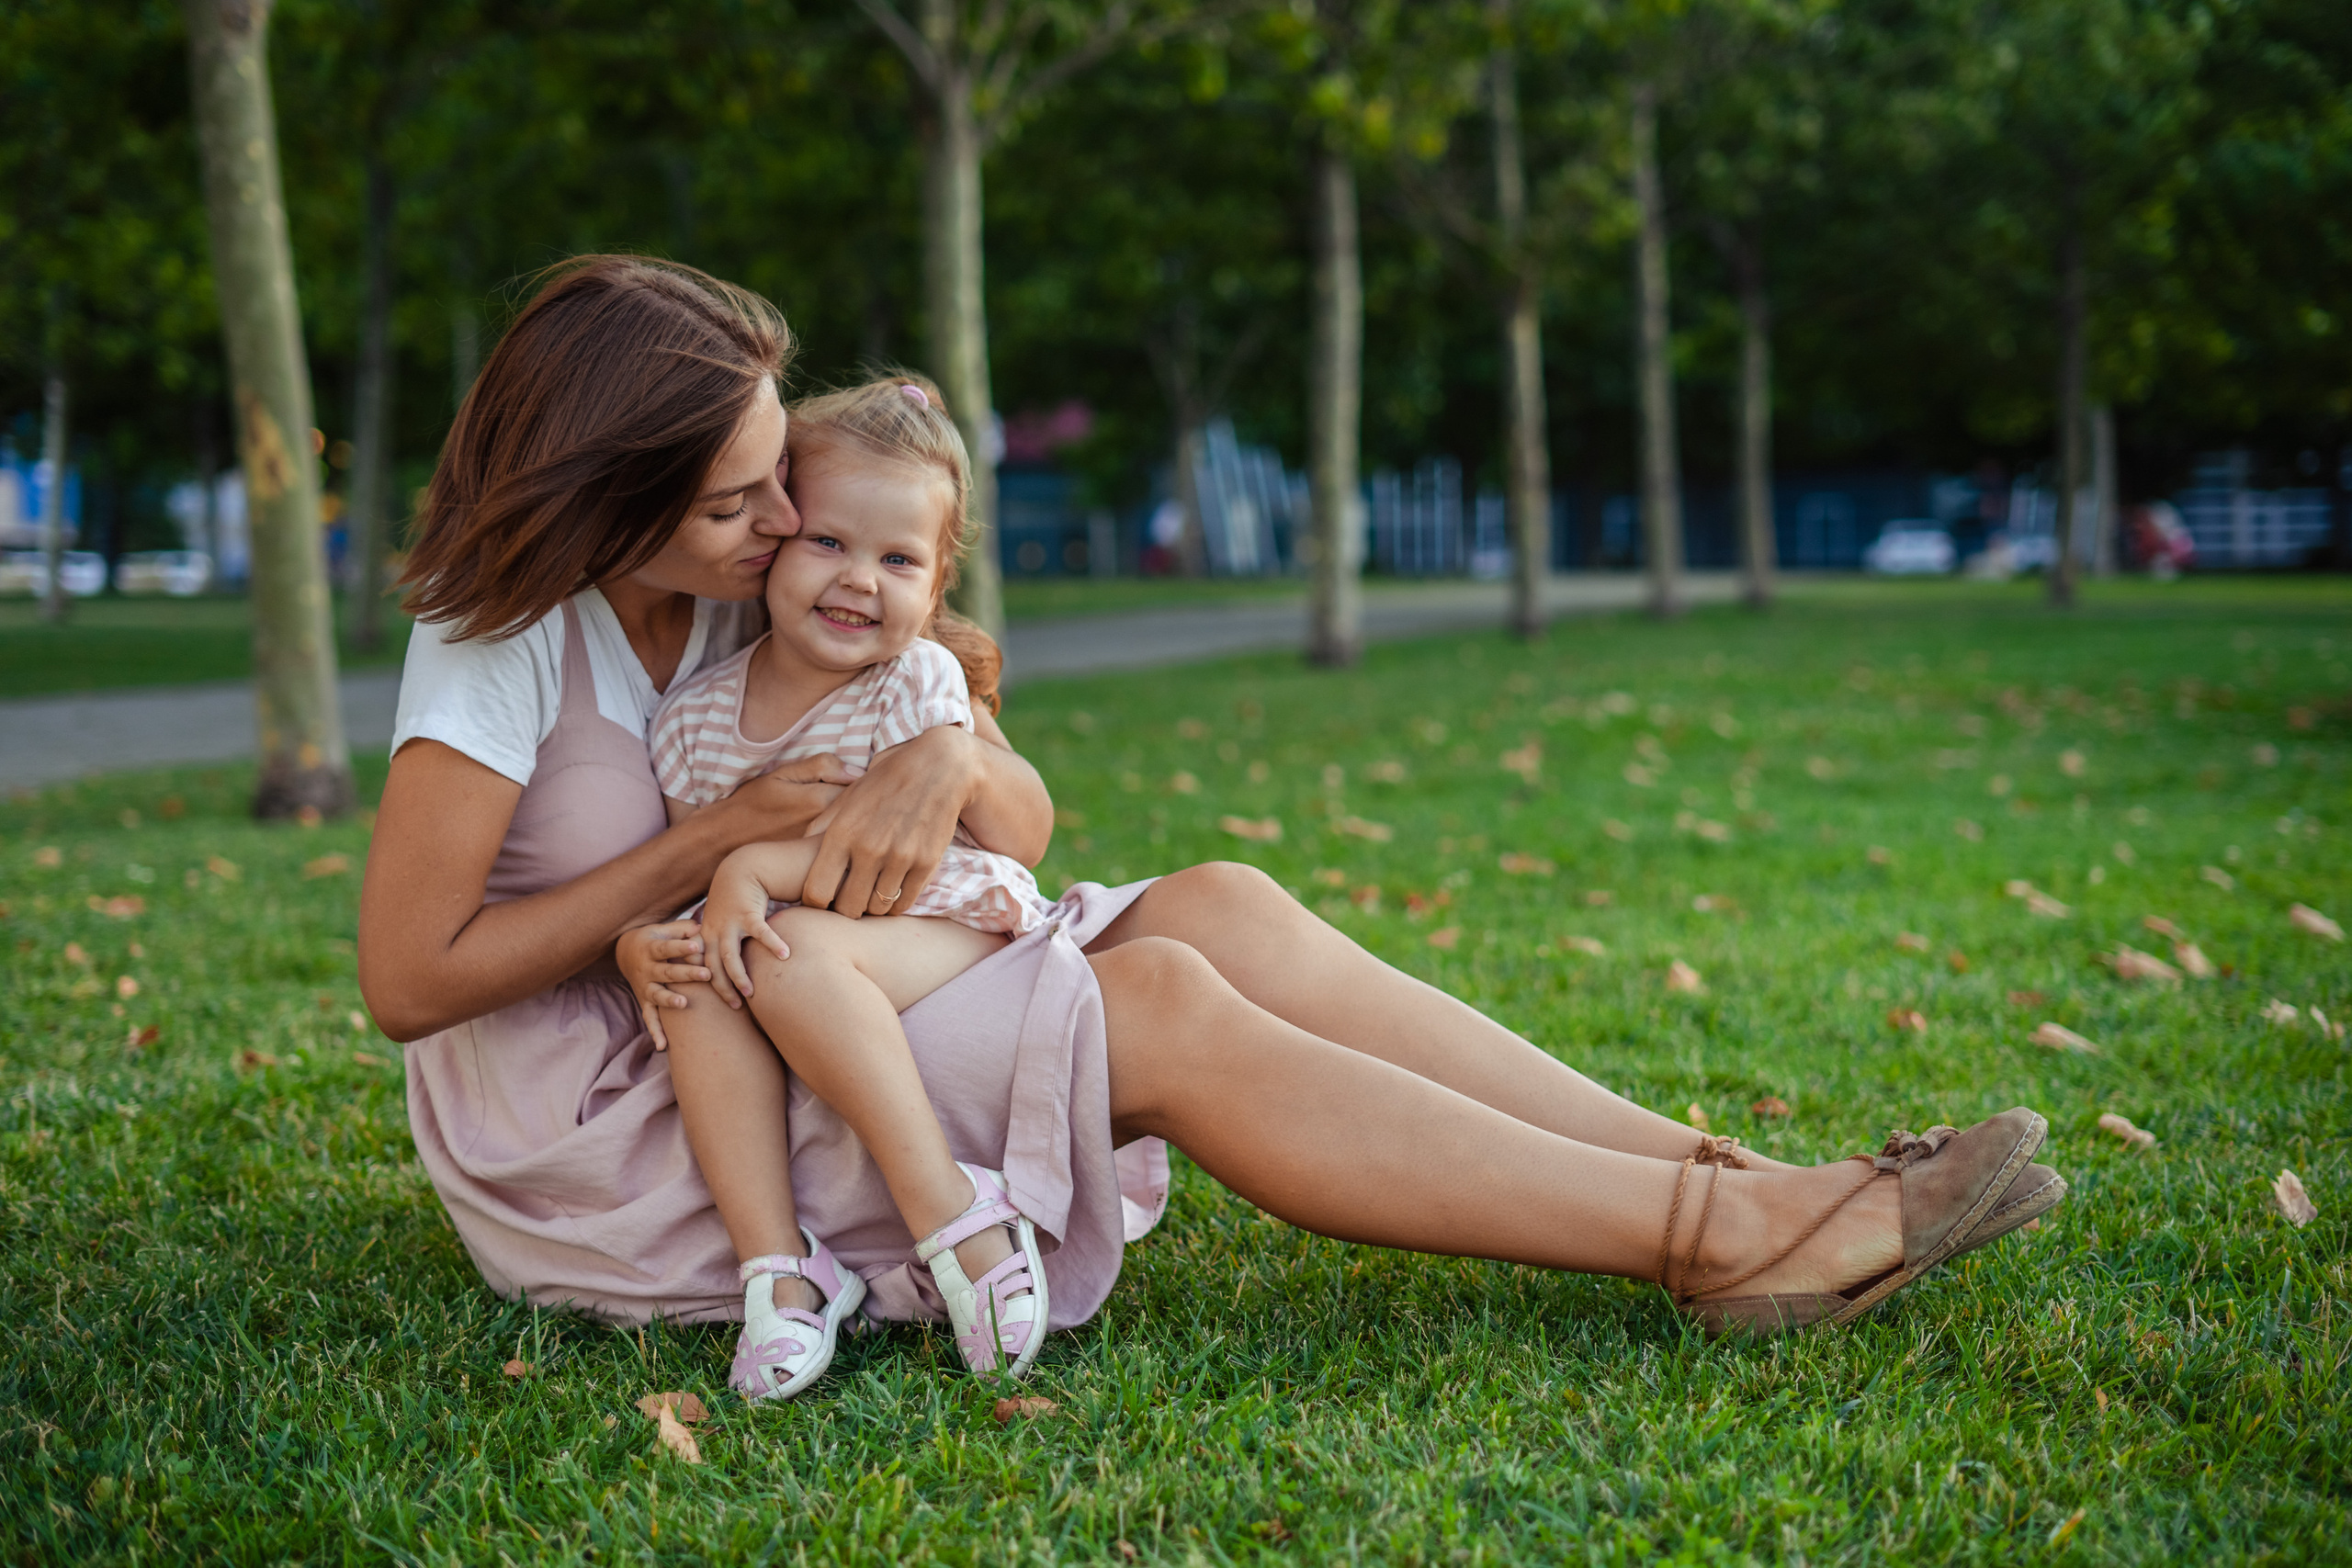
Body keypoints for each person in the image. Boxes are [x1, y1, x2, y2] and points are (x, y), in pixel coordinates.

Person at [359, 256, 2067, 1404]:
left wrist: (942, 760)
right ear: (608, 491)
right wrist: (703, 846)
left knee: (1222, 906)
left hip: (813, 970)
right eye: (736, 498)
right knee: (1158, 1007)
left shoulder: (765, 581)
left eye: (770, 486)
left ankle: (1731, 1173)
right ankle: (1722, 1245)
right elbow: (410, 981)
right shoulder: (501, 643)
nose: (782, 523)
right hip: (643, 1097)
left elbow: (1012, 804)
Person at [624, 373, 1063, 1397]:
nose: (859, 579)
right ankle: (781, 1270)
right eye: (829, 542)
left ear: (935, 579)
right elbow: (683, 877)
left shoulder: (913, 684)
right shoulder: (695, 723)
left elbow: (1018, 840)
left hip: (947, 920)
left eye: (897, 559)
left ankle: (956, 1215)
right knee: (701, 964)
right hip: (805, 956)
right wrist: (636, 943)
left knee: (789, 951)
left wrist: (756, 868)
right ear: (776, 539)